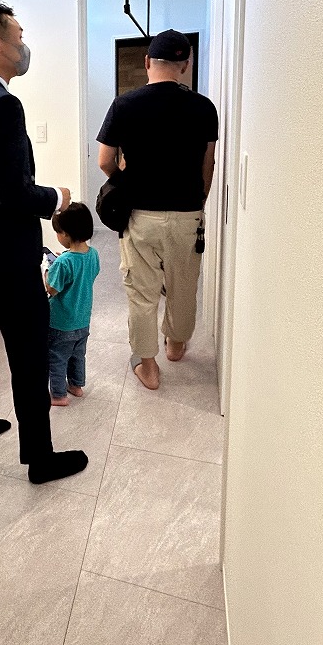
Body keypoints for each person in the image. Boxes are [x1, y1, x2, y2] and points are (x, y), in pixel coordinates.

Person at [0, 1, 88, 484]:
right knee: (29, 361)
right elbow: (12, 193)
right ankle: (40, 458)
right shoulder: (3, 105)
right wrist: (57, 197)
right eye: (18, 34)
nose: (23, 43)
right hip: (11, 265)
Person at [96, 29, 219, 391]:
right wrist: (197, 204)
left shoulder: (124, 105)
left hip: (140, 216)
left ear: (148, 61)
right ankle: (176, 344)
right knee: (183, 285)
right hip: (187, 215)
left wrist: (126, 179)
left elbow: (105, 161)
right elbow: (208, 165)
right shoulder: (204, 108)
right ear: (185, 65)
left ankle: (147, 365)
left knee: (142, 292)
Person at [43, 202, 100, 406]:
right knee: (77, 355)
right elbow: (87, 274)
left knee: (57, 358)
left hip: (61, 323)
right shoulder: (93, 254)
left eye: (58, 232)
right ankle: (76, 386)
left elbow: (52, 289)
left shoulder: (62, 262)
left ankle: (58, 395)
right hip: (82, 320)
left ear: (65, 234)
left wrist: (47, 272)